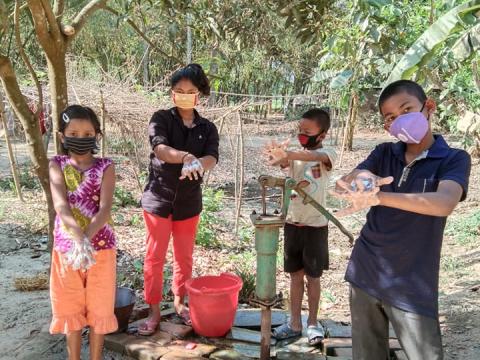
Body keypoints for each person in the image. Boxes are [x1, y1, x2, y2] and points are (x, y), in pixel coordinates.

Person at [332, 80, 471, 360]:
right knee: (367, 355)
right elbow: (352, 177)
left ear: (428, 107)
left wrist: (380, 197)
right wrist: (362, 180)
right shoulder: (385, 153)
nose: (399, 121)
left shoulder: (454, 159)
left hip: (412, 282)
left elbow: (444, 203)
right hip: (366, 271)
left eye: (406, 109)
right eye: (391, 117)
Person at [139, 64, 219, 335]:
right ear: (172, 93)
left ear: (200, 95)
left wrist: (198, 162)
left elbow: (212, 157)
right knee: (154, 258)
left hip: (189, 203)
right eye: (179, 91)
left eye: (191, 91)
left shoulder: (207, 128)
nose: (185, 95)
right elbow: (160, 149)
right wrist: (184, 157)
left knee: (184, 259)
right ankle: (153, 310)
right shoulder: (161, 118)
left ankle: (180, 304)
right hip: (158, 200)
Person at [49, 105, 118, 360]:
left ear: (97, 135)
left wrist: (87, 237)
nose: (81, 138)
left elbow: (105, 207)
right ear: (62, 136)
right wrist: (78, 238)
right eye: (74, 133)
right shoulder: (56, 164)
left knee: (100, 308)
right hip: (67, 250)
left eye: (87, 133)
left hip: (102, 249)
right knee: (70, 306)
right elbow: (60, 205)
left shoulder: (106, 166)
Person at [264, 108, 337, 345]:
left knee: (313, 277)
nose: (302, 135)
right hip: (293, 223)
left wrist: (291, 153)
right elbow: (285, 163)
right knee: (295, 276)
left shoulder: (327, 154)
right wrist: (278, 156)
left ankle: (313, 324)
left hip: (315, 226)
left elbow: (313, 158)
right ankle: (295, 323)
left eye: (308, 131)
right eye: (300, 130)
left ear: (322, 134)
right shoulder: (297, 156)